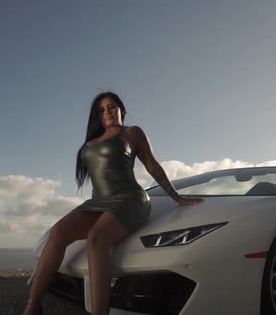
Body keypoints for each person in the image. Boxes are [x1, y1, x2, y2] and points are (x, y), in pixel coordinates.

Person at [23, 92, 203, 315]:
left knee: (97, 239)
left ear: (121, 110)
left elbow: (153, 166)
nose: (107, 112)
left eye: (111, 107)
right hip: (98, 200)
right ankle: (32, 307)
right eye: (102, 110)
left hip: (130, 199)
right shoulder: (91, 141)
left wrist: (177, 197)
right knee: (58, 232)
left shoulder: (132, 133)